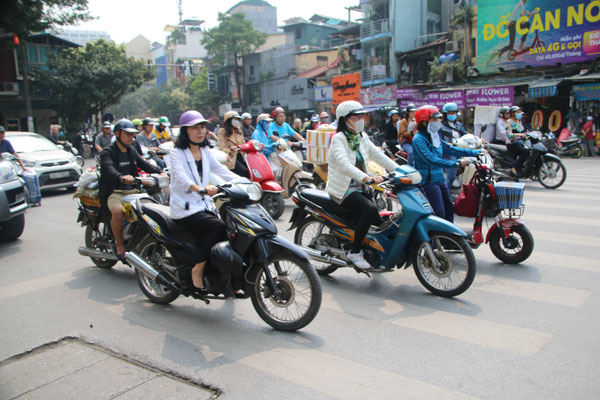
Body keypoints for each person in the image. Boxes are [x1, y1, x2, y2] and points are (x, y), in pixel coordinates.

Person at [169, 110, 239, 293]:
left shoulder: (205, 150)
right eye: (195, 128)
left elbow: (221, 171)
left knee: (234, 229)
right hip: (185, 209)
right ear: (185, 131)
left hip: (204, 206)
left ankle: (225, 277)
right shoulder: (176, 153)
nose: (201, 132)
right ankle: (197, 269)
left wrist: (245, 182)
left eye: (202, 128)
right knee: (218, 227)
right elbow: (181, 178)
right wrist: (199, 189)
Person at [326, 100, 401, 270]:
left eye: (362, 116)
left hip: (361, 187)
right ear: (345, 119)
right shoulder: (338, 139)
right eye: (357, 116)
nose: (362, 119)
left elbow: (378, 156)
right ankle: (355, 251)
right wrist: (367, 177)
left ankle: (373, 252)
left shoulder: (361, 136)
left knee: (380, 221)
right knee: (370, 210)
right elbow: (344, 165)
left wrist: (401, 170)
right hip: (343, 189)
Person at [99, 119, 165, 255]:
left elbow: (144, 164)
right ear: (117, 133)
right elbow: (108, 168)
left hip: (133, 191)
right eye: (127, 134)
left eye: (132, 135)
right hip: (115, 192)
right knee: (118, 211)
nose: (131, 137)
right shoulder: (107, 152)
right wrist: (121, 177)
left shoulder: (131, 150)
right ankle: (119, 243)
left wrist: (161, 171)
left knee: (153, 209)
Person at [412, 105, 482, 223]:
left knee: (449, 209)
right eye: (434, 119)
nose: (438, 122)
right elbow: (431, 159)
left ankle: (450, 240)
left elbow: (450, 149)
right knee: (439, 213)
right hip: (428, 182)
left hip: (439, 179)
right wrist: (456, 163)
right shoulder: (419, 139)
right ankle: (436, 241)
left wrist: (476, 152)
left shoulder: (434, 136)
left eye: (438, 119)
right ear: (424, 122)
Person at [487, 0, 535, 64]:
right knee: (527, 24)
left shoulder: (521, 3)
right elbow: (523, 20)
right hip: (514, 25)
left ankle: (496, 53)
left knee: (510, 46)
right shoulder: (521, 5)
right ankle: (522, 45)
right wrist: (530, 15)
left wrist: (529, 13)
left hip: (512, 25)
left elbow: (523, 11)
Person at [439, 102, 469, 188]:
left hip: (459, 151)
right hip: (448, 154)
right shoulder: (441, 126)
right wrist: (447, 144)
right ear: (445, 114)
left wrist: (477, 139)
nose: (453, 115)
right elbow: (438, 140)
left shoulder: (458, 125)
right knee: (451, 176)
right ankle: (445, 196)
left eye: (454, 112)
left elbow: (466, 135)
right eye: (450, 113)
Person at [217, 111, 248, 178]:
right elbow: (221, 148)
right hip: (231, 158)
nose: (237, 121)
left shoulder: (239, 131)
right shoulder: (222, 132)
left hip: (242, 156)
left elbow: (244, 143)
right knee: (244, 171)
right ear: (229, 120)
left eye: (238, 120)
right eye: (235, 119)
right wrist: (230, 149)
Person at [507, 106, 529, 176]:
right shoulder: (509, 122)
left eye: (520, 112)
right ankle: (514, 170)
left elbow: (525, 130)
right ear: (512, 113)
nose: (519, 114)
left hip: (521, 142)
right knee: (525, 152)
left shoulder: (520, 121)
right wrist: (520, 134)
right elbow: (509, 135)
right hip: (512, 143)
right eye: (517, 112)